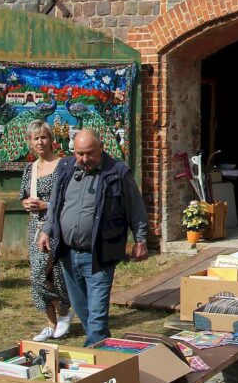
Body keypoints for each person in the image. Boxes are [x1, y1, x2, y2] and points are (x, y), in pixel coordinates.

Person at [38, 128, 148, 346]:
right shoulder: (66, 167)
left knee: (96, 316)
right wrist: (46, 229)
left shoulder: (117, 173)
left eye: (89, 153)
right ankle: (103, 353)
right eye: (79, 153)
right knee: (83, 310)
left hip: (99, 254)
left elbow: (136, 208)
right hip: (69, 253)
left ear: (101, 148)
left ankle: (93, 363)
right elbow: (56, 203)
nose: (84, 159)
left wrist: (141, 240)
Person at [19, 120, 73, 341]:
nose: (40, 142)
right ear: (30, 143)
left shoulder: (63, 166)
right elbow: (23, 195)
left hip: (58, 227)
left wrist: (46, 205)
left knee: (50, 273)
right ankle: (52, 322)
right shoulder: (30, 168)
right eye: (36, 138)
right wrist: (26, 203)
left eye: (44, 137)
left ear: (51, 140)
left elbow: (72, 200)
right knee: (41, 276)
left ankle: (65, 312)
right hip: (35, 227)